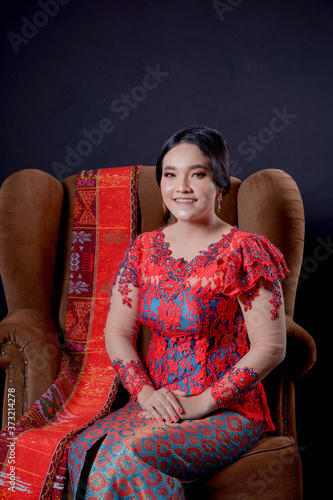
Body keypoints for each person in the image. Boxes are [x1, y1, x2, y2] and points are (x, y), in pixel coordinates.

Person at [68, 126, 288, 499]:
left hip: (228, 409)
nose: (181, 187)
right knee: (82, 450)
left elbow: (271, 346)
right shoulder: (143, 249)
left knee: (129, 458)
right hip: (157, 403)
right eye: (170, 175)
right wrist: (145, 393)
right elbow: (117, 333)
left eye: (197, 174)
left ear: (219, 183)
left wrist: (203, 403)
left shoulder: (247, 251)